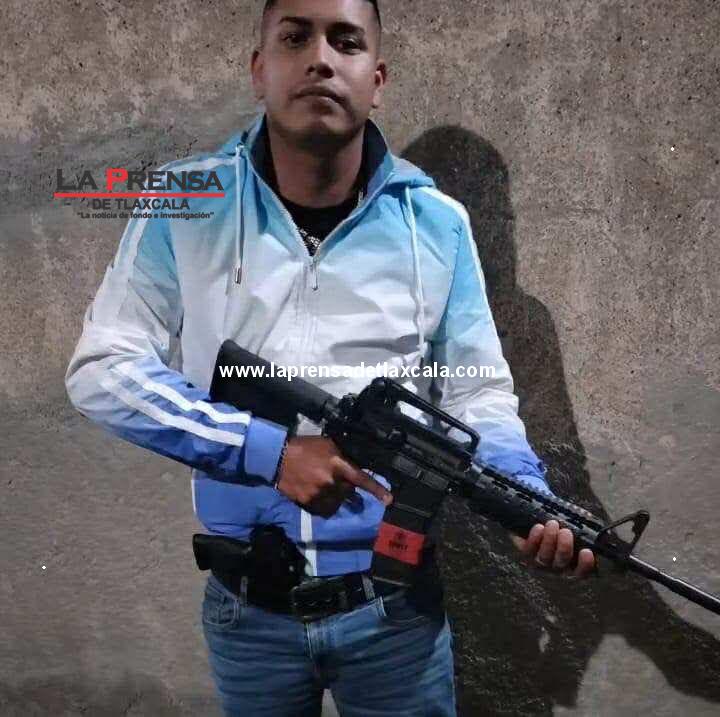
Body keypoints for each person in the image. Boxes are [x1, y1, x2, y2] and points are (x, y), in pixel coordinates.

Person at [65, 0, 596, 715]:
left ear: (377, 79)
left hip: (396, 614)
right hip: (249, 611)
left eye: (345, 42)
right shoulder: (184, 204)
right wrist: (268, 452)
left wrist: (524, 494)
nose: (320, 58)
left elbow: (477, 393)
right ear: (260, 70)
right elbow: (103, 369)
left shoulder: (436, 224)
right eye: (295, 38)